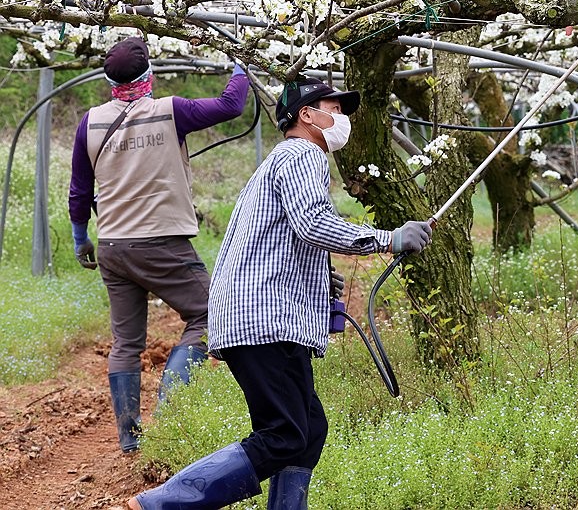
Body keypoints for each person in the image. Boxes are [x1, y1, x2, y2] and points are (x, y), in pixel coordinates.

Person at [129, 76, 433, 510]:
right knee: (285, 434)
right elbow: (312, 225)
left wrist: (315, 279)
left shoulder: (283, 161)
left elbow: (280, 238)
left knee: (308, 429)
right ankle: (163, 504)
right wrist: (389, 238)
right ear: (307, 114)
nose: (342, 118)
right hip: (265, 320)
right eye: (335, 107)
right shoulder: (303, 155)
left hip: (262, 314)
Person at [70, 36, 249, 453]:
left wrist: (82, 238)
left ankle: (130, 439)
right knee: (212, 314)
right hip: (162, 243)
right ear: (148, 75)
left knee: (127, 342)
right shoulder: (171, 111)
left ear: (109, 80)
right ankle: (169, 413)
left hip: (113, 246)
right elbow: (230, 105)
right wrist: (240, 66)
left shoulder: (90, 122)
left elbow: (79, 191)